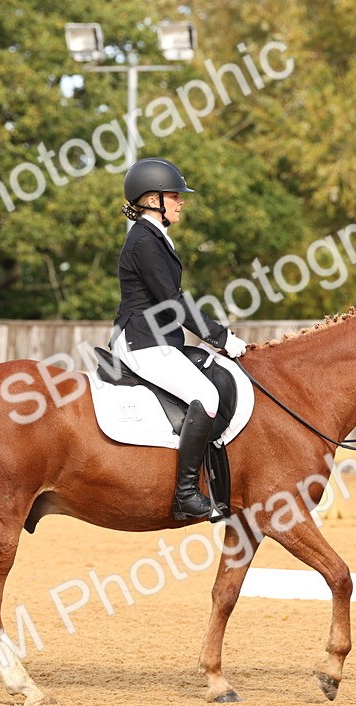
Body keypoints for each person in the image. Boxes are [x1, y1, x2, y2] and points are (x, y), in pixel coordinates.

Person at [110, 158, 248, 520]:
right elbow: (173, 301)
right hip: (145, 341)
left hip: (159, 338)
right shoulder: (144, 240)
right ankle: (186, 493)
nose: (181, 201)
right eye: (174, 195)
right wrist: (220, 337)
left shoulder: (153, 237)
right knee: (206, 395)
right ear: (152, 198)